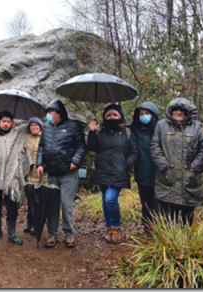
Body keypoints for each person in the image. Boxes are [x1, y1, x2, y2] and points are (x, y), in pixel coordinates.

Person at [37, 99, 86, 248]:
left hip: (68, 172)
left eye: (51, 112)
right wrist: (40, 163)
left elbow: (81, 146)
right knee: (52, 204)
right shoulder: (46, 128)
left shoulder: (73, 126)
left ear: (59, 114)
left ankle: (68, 233)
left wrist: (75, 161)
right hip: (51, 172)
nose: (48, 116)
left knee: (66, 203)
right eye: (47, 113)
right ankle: (52, 234)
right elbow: (41, 147)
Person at [150, 98, 203, 226]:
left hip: (189, 178)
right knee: (168, 215)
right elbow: (155, 146)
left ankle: (188, 241)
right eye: (175, 110)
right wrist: (163, 165)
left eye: (181, 110)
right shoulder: (161, 126)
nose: (178, 112)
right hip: (167, 176)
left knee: (189, 215)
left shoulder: (197, 127)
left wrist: (195, 167)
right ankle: (171, 241)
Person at [87, 104, 138, 244]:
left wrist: (126, 165)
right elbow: (91, 147)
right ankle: (108, 228)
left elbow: (134, 152)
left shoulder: (127, 132)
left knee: (110, 199)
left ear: (120, 116)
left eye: (114, 115)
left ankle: (116, 227)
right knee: (105, 200)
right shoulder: (100, 132)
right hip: (102, 170)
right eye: (108, 115)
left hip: (119, 172)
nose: (111, 117)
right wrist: (91, 132)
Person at [0, 111, 31, 245]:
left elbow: (24, 156)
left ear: (12, 123)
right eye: (3, 121)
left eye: (8, 121)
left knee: (12, 207)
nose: (5, 124)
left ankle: (12, 233)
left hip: (11, 179)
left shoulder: (17, 138)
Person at [129, 102, 160, 233]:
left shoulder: (160, 128)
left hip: (158, 172)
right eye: (141, 114)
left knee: (157, 201)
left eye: (147, 113)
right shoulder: (134, 129)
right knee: (145, 201)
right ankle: (147, 226)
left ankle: (159, 225)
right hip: (141, 171)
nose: (144, 116)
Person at [23, 116, 47, 236]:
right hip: (28, 176)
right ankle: (30, 222)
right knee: (30, 201)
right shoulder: (25, 138)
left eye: (36, 125)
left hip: (41, 176)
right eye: (32, 125)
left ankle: (37, 225)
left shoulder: (45, 138)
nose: (34, 127)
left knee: (39, 202)